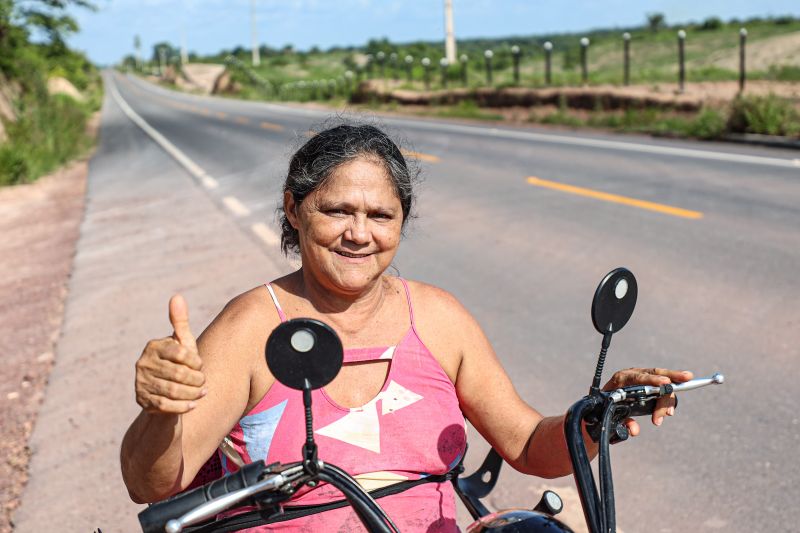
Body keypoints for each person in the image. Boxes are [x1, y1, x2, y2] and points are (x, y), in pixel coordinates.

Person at [120, 123, 692, 531]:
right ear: (294, 210)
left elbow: (527, 445)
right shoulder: (250, 328)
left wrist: (599, 414)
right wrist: (161, 409)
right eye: (337, 211)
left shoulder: (439, 318)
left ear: (402, 221)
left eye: (380, 215)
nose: (359, 233)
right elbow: (151, 484)